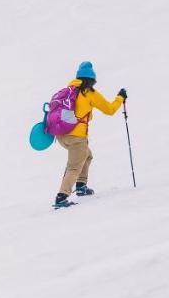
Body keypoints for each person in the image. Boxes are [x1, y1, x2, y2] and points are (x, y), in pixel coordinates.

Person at [53, 62, 126, 209]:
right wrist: (120, 98)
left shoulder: (69, 90)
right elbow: (110, 110)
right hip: (76, 138)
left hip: (61, 135)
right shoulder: (89, 93)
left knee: (87, 155)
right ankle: (62, 197)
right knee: (74, 167)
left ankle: (81, 186)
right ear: (92, 79)